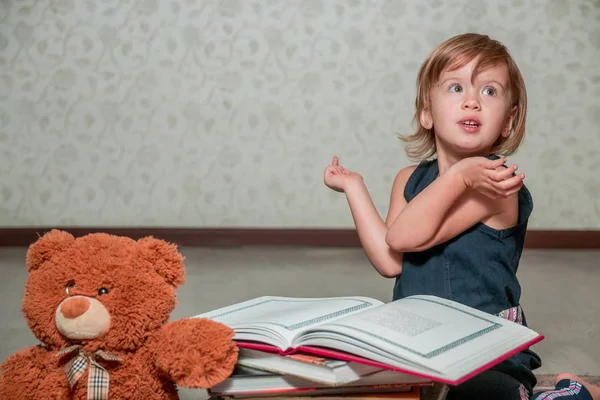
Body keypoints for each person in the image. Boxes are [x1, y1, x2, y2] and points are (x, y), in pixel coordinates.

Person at [324, 33, 600, 400]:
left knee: (480, 394)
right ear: (426, 112)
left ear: (508, 121)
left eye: (489, 92)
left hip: (486, 348)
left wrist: (458, 175)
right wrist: (355, 188)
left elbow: (405, 237)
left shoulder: (498, 186)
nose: (472, 101)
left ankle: (574, 393)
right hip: (419, 343)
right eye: (456, 88)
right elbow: (391, 259)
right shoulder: (408, 180)